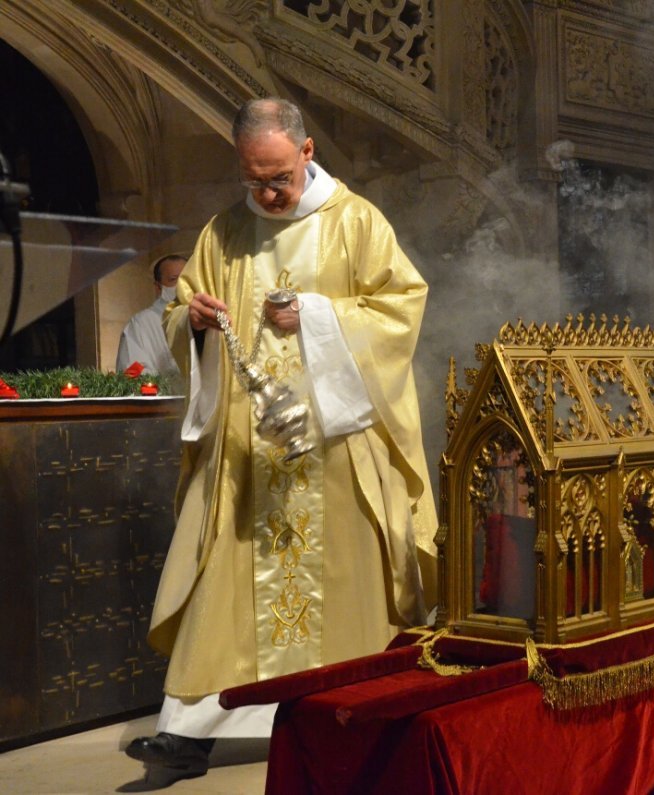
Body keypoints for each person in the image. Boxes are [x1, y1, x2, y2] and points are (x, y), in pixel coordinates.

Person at [124, 98, 437, 780]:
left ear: (307, 151)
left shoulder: (356, 222)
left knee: (351, 590)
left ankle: (357, 715)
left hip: (333, 443)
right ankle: (188, 732)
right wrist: (196, 320)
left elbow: (400, 308)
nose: (266, 192)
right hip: (245, 449)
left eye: (278, 177)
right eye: (252, 178)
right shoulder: (225, 231)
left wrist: (320, 316)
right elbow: (184, 312)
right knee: (223, 582)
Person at [115, 254, 186, 377]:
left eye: (186, 278)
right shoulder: (140, 324)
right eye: (174, 279)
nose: (182, 285)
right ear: (158, 287)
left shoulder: (203, 318)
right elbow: (132, 371)